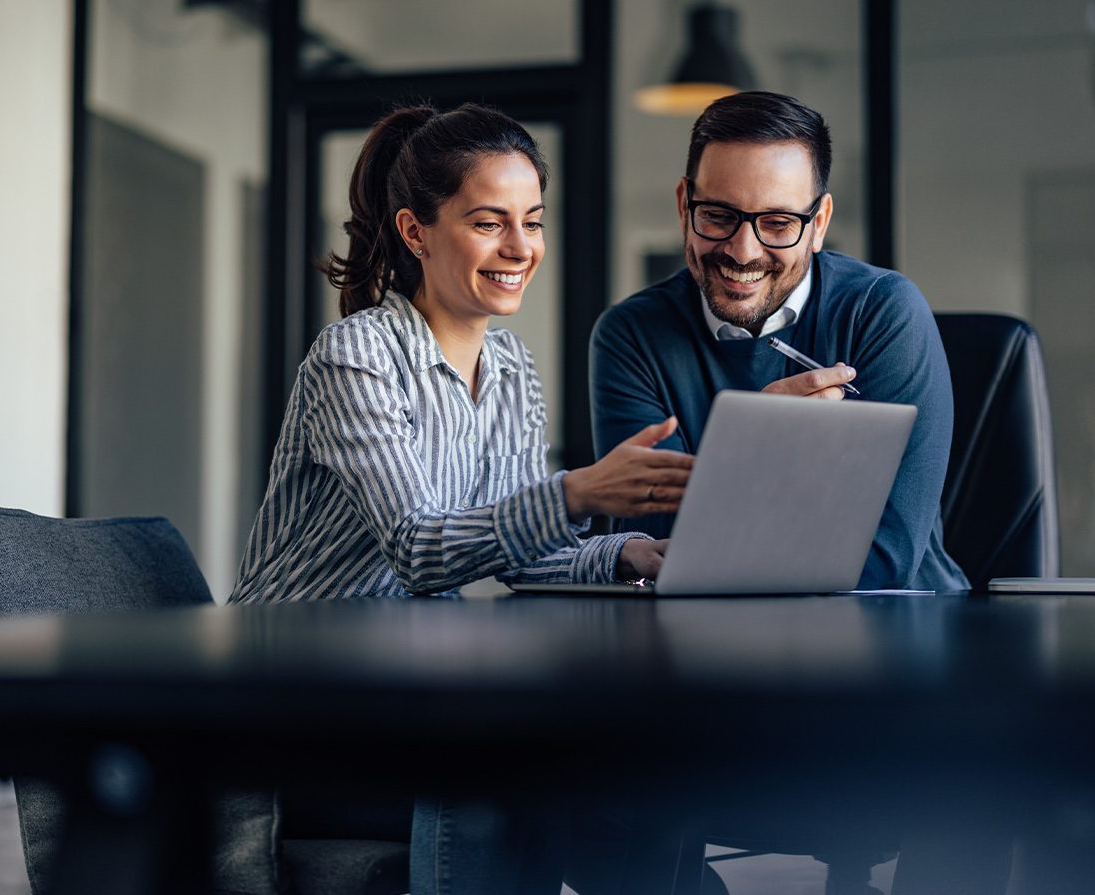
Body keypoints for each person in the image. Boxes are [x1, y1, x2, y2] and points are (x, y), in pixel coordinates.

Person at [229, 101, 693, 894]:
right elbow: (419, 548)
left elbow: (530, 555)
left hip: (408, 696)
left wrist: (631, 553)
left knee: (630, 796)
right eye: (489, 222)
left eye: (532, 221)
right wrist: (579, 489)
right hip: (297, 715)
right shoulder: (356, 357)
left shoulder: (512, 369)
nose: (521, 248)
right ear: (416, 232)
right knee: (518, 781)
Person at [589, 91, 968, 592]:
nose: (743, 252)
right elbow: (659, 552)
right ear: (685, 205)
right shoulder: (630, 336)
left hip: (898, 628)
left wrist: (729, 497)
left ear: (819, 224)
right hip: (707, 641)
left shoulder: (884, 312)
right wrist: (757, 449)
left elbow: (887, 554)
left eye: (778, 223)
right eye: (719, 216)